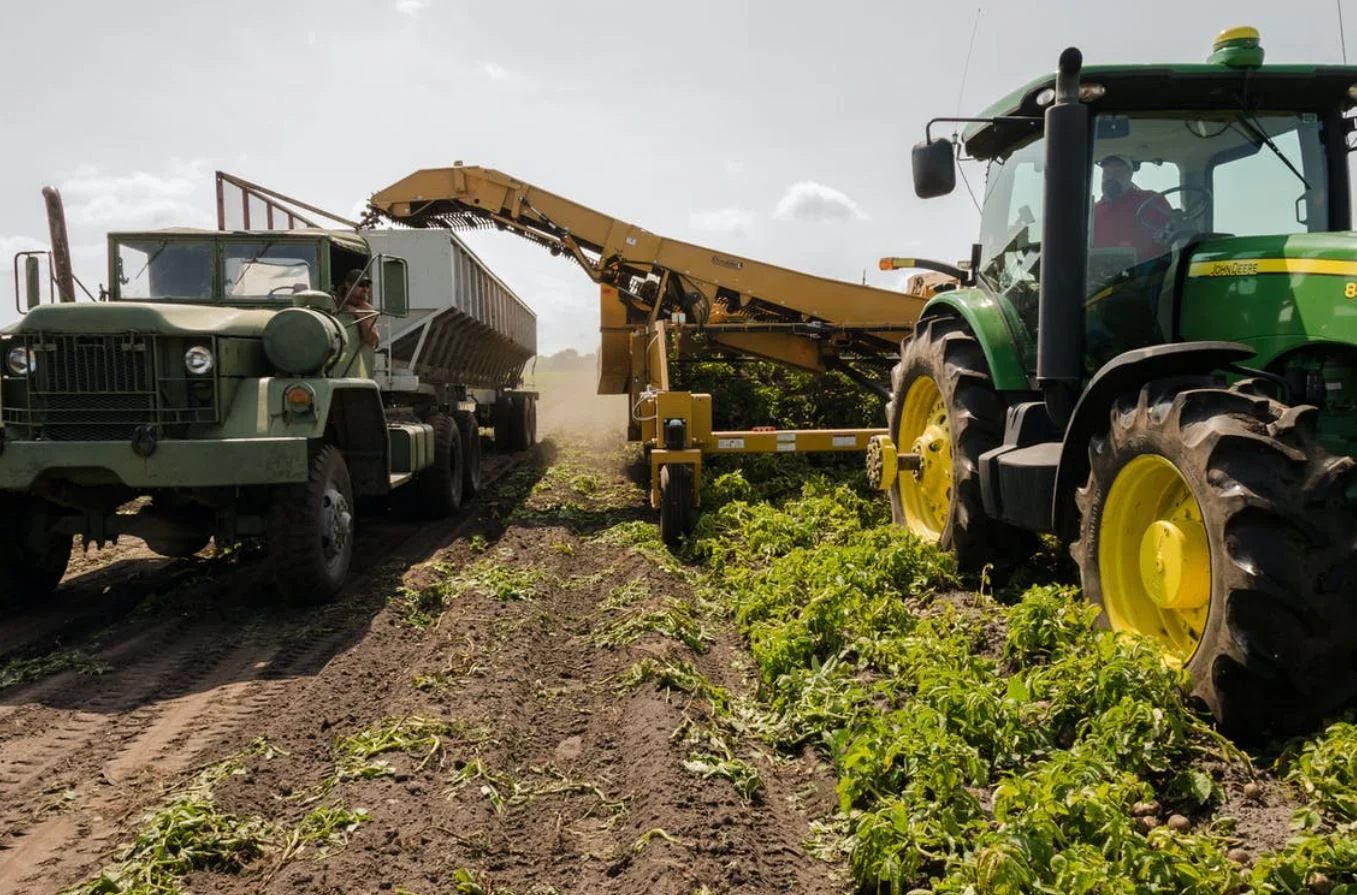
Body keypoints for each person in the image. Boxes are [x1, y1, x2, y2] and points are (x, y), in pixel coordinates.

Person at [1091, 154, 1174, 263]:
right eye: (1107, 174)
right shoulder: (1094, 212)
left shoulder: (1152, 201)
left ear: (1130, 176)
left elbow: (1173, 232)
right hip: (1104, 275)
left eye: (1118, 174)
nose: (1111, 178)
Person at [334, 268, 380, 349]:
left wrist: (358, 313)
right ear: (348, 285)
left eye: (367, 286)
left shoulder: (367, 309)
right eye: (361, 285)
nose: (365, 289)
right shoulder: (333, 302)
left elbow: (372, 340)